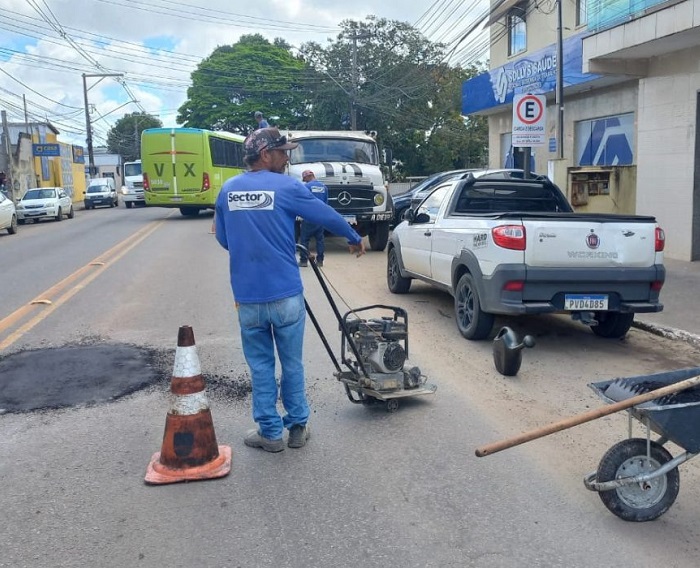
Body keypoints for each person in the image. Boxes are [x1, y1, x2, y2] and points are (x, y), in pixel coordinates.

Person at [214, 127, 365, 453]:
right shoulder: (287, 187)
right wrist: (353, 238)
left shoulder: (228, 190)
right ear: (265, 154)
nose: (287, 158)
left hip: (248, 299)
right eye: (283, 152)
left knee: (261, 367)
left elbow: (224, 239)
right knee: (292, 363)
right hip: (286, 295)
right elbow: (325, 214)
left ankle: (270, 434)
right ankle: (297, 428)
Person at [298, 169, 329, 267]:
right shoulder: (324, 187)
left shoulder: (306, 187)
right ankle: (320, 261)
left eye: (305, 179)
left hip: (309, 217)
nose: (305, 181)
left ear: (307, 177)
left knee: (304, 240)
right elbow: (326, 203)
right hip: (320, 218)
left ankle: (303, 261)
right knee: (320, 240)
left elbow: (303, 202)